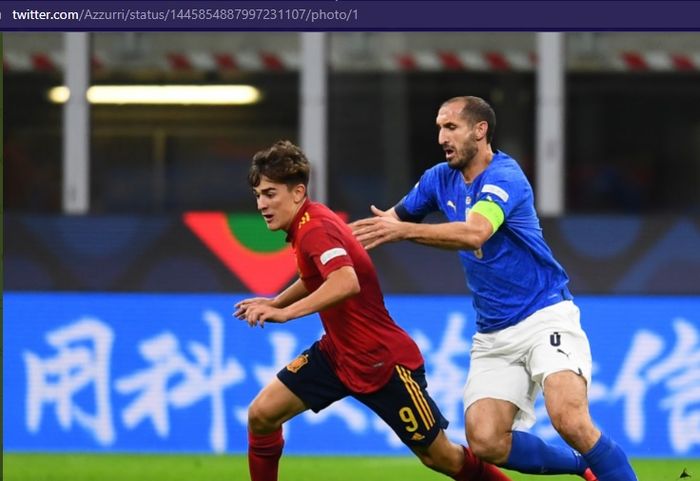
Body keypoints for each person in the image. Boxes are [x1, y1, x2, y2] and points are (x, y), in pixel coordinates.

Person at [351, 96, 638, 481]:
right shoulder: (439, 178)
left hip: (545, 314)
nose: (441, 137)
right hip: (494, 333)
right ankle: (581, 466)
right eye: (439, 127)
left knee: (569, 419)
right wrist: (335, 241)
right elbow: (388, 222)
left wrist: (401, 230)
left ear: (479, 130)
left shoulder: (505, 176)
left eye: (450, 127)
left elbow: (475, 233)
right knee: (486, 441)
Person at [236, 140, 514, 481]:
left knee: (442, 458)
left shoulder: (315, 229)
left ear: (297, 192)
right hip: (337, 355)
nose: (262, 204)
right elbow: (315, 278)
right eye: (258, 195)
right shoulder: (310, 220)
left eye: (270, 193)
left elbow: (344, 282)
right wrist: (275, 301)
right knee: (262, 414)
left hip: (380, 363)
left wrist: (286, 314)